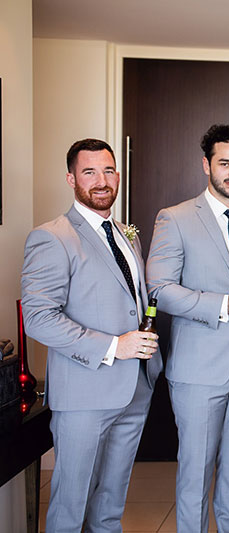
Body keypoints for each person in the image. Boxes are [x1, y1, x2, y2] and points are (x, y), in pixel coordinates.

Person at [21, 138, 163, 532]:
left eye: (108, 170)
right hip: (84, 395)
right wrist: (114, 346)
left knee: (111, 502)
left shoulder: (126, 234)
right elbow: (38, 318)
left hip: (134, 388)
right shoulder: (52, 236)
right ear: (71, 178)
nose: (101, 181)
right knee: (70, 505)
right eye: (89, 172)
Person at [146, 124, 229, 533]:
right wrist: (225, 304)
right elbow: (160, 290)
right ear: (206, 165)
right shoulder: (176, 218)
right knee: (195, 477)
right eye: (224, 163)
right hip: (198, 370)